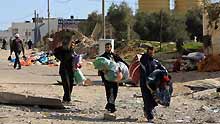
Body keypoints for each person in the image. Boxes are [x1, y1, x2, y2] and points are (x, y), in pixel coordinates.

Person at [139, 46, 168, 122]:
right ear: (147, 52)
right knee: (147, 99)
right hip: (145, 84)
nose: (151, 53)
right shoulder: (143, 60)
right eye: (150, 52)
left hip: (153, 84)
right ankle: (150, 117)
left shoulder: (155, 62)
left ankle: (147, 110)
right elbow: (145, 72)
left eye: (152, 52)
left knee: (153, 100)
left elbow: (162, 69)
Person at [99, 43, 128, 114]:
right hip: (106, 78)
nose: (107, 48)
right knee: (109, 92)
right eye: (106, 47)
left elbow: (122, 62)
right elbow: (99, 67)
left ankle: (109, 105)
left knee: (115, 92)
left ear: (111, 48)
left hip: (115, 77)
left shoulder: (115, 56)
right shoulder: (102, 57)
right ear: (105, 48)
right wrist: (103, 70)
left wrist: (128, 67)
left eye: (109, 47)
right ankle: (111, 107)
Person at [54, 38, 75, 102]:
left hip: (71, 69)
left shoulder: (71, 50)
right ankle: (68, 99)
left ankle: (65, 98)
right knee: (66, 85)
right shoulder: (60, 49)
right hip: (64, 69)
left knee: (71, 84)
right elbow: (55, 51)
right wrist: (60, 58)